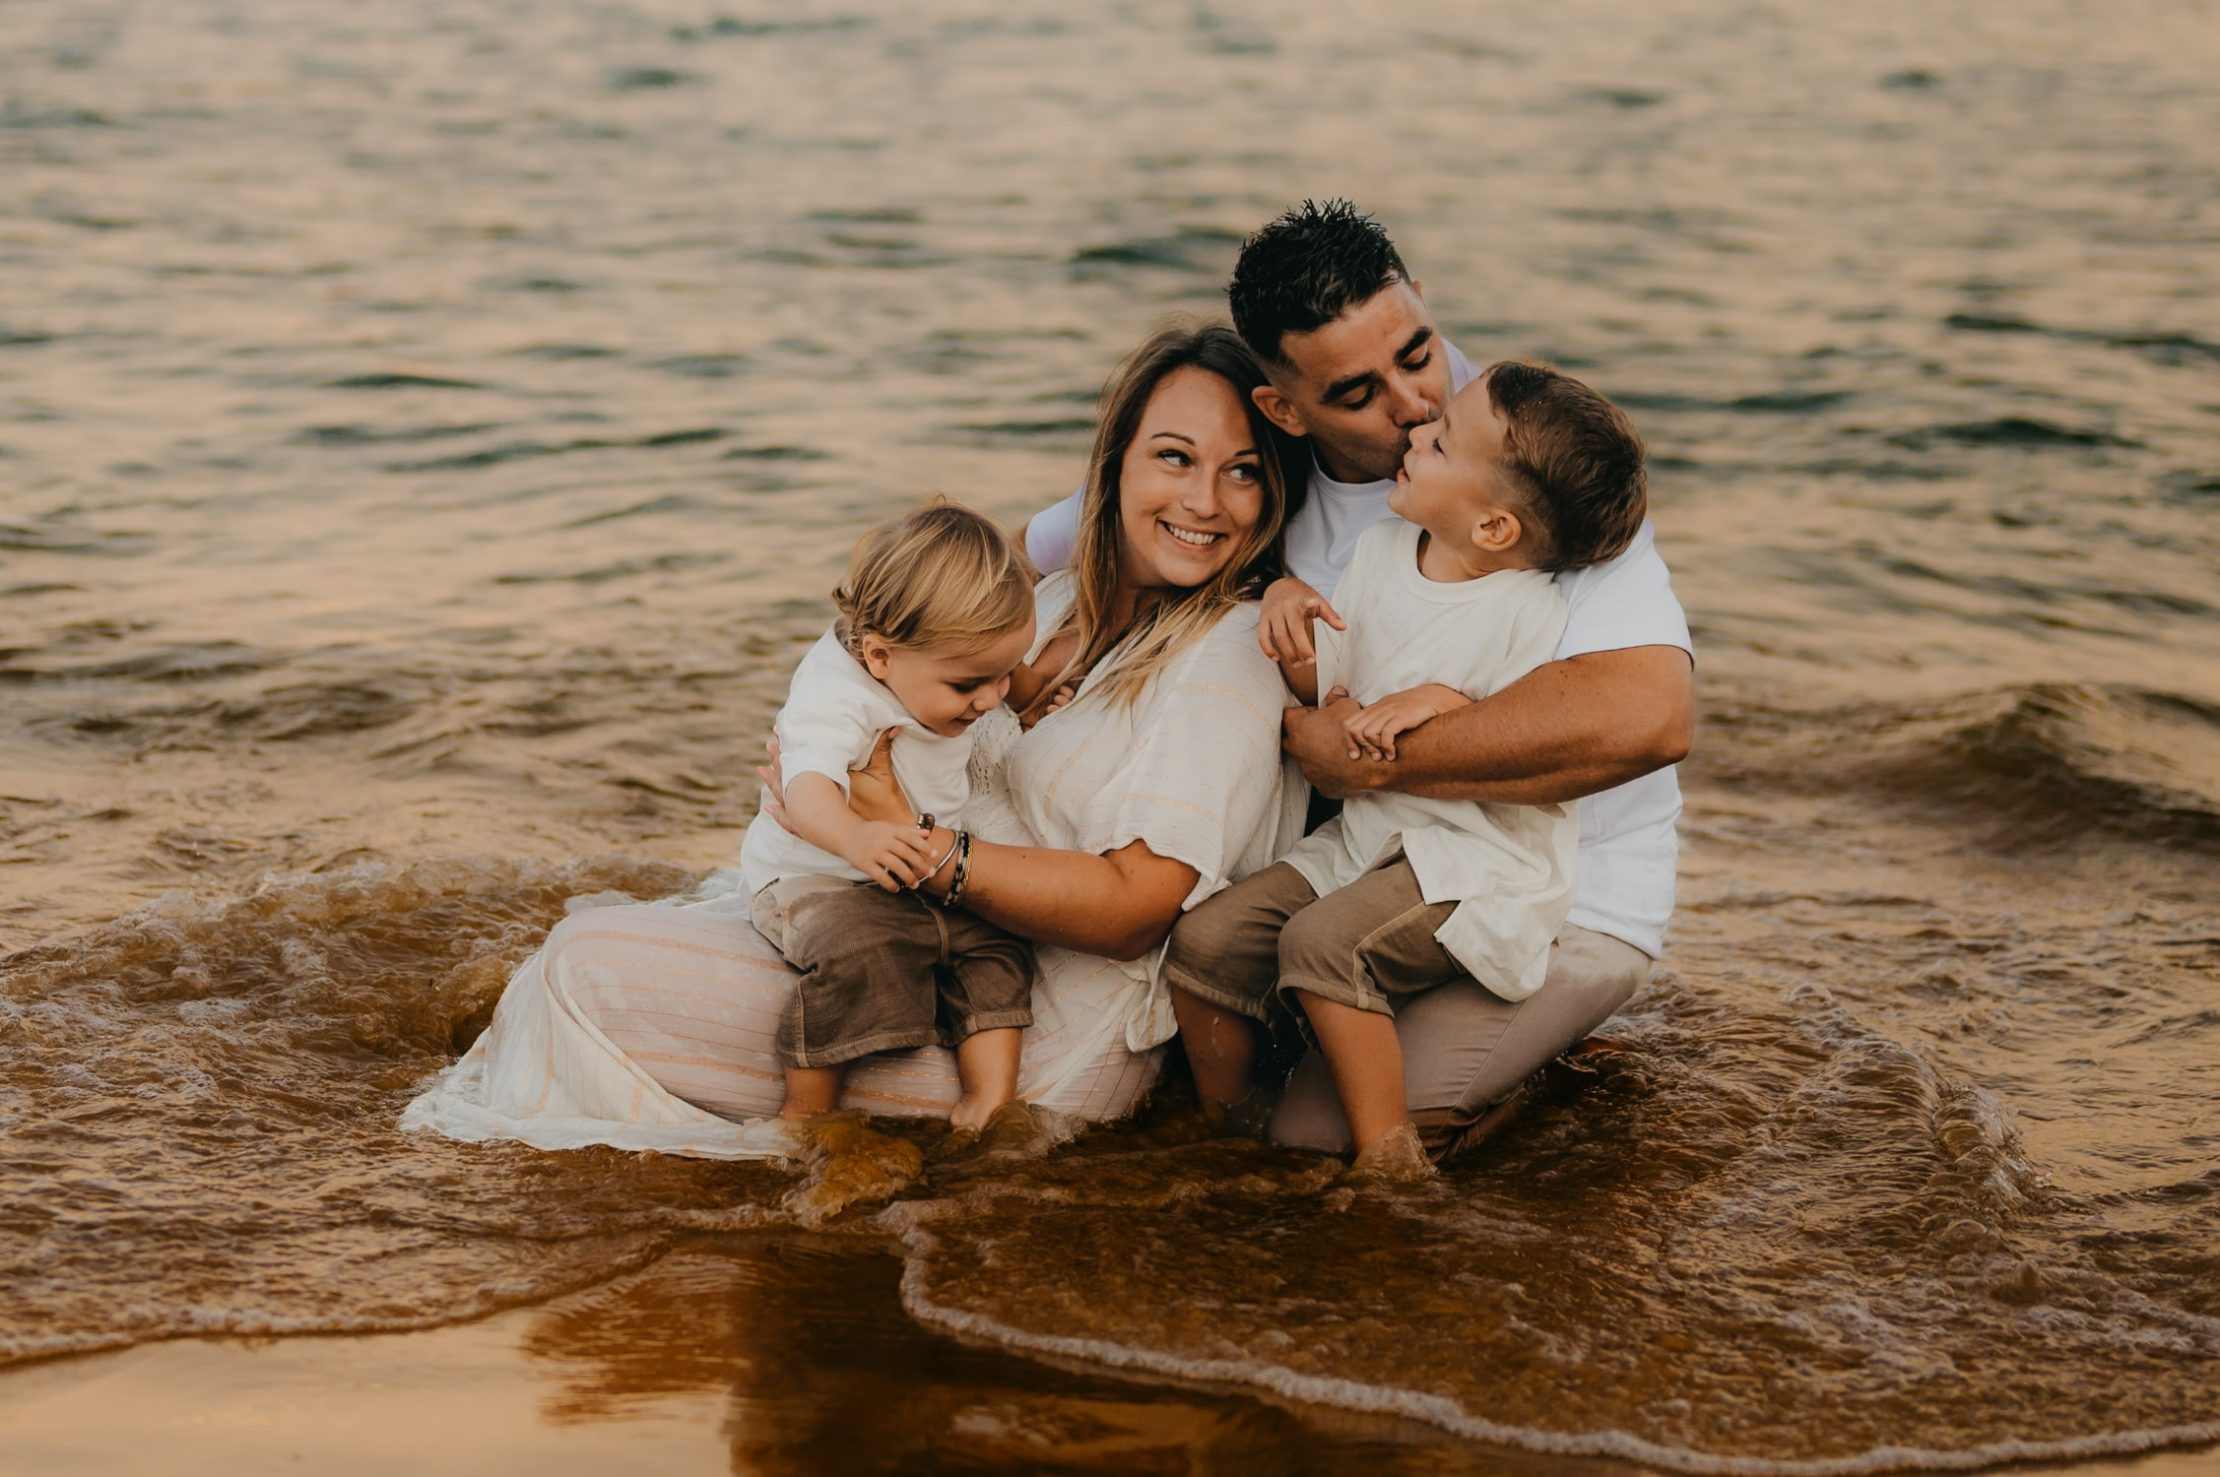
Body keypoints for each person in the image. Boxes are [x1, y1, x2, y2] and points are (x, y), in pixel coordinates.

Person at [403, 322, 1305, 1157]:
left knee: (584, 970)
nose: (1205, 500)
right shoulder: (1057, 602)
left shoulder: (1230, 648)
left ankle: (727, 1194)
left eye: (1244, 471)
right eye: (1175, 457)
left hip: (1031, 1025)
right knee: (588, 936)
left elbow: (1135, 907)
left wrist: (918, 844)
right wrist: (826, 777)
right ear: (1113, 467)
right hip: (913, 933)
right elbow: (889, 644)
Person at [1026, 200, 1694, 1156]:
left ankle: (1515, 1098)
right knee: (1214, 1016)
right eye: (1357, 393)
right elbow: (1048, 551)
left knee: (1316, 1140)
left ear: (1421, 299)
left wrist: (1374, 759)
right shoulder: (1260, 472)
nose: (1415, 404)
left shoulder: (1520, 457)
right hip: (1363, 869)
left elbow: (1650, 717)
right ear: (1284, 408)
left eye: (1418, 353)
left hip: (1560, 895)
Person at [1162, 361, 1651, 1163]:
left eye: (1443, 439)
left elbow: (1526, 733)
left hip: (1472, 861)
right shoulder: (1383, 552)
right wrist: (1285, 604)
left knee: (1320, 945)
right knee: (1208, 941)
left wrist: (1443, 700)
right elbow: (1334, 689)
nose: (1416, 431)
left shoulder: (1530, 612)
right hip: (1369, 842)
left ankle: (1390, 1158)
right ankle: (1229, 1124)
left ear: (1494, 528)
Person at [737, 500, 1040, 1131]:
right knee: (864, 948)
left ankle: (986, 1102)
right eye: (968, 686)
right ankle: (806, 1113)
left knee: (998, 946)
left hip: (918, 857)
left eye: (1005, 675)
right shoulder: (835, 692)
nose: (990, 700)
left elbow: (996, 674)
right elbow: (808, 784)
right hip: (816, 873)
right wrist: (855, 835)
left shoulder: (932, 662)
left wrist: (1037, 691)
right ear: (879, 659)